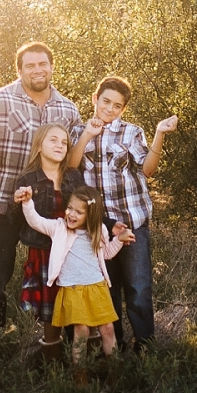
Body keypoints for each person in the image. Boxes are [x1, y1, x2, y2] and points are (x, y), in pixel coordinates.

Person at [0, 42, 80, 327]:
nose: (37, 70)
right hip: (3, 198)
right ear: (20, 70)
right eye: (30, 65)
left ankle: (49, 330)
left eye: (42, 64)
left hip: (49, 205)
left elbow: (76, 150)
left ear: (51, 67)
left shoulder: (67, 108)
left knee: (52, 267)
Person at [68, 76, 177, 353]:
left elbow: (148, 169)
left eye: (117, 106)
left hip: (131, 222)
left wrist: (159, 133)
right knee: (107, 287)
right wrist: (88, 136)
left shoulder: (131, 132)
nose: (109, 109)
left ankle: (145, 348)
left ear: (123, 109)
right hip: (98, 226)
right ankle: (113, 347)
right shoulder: (79, 131)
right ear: (95, 99)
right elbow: (71, 166)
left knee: (138, 287)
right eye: (105, 101)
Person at [15, 184, 132, 363]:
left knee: (108, 328)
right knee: (81, 330)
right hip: (73, 289)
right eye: (69, 208)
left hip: (97, 287)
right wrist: (28, 201)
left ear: (90, 214)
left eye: (79, 212)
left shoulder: (99, 230)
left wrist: (119, 240)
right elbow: (35, 221)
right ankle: (80, 373)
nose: (71, 214)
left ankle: (114, 369)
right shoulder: (59, 228)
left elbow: (106, 253)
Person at [12, 122, 85, 362]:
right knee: (50, 311)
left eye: (64, 142)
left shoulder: (73, 176)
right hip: (43, 251)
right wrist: (19, 200)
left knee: (77, 306)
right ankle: (52, 360)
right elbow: (20, 218)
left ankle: (81, 360)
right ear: (40, 145)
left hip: (72, 252)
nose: (60, 145)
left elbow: (86, 209)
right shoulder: (28, 178)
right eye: (53, 140)